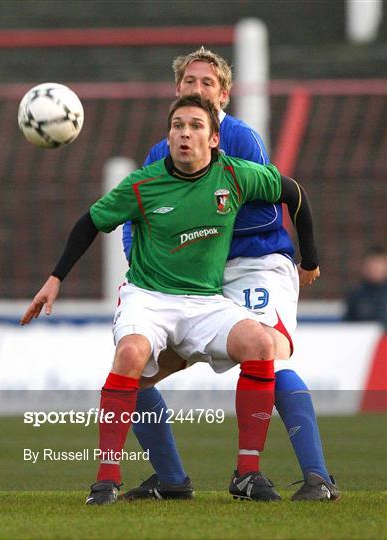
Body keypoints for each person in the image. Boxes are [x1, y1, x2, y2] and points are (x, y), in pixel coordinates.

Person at [21, 95, 318, 505]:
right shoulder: (143, 184)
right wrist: (54, 279)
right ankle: (106, 479)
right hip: (149, 298)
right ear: (169, 135)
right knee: (130, 354)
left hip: (205, 302)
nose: (185, 133)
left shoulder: (235, 175)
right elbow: (91, 221)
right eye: (178, 125)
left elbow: (293, 192)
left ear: (214, 138)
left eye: (196, 126)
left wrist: (310, 261)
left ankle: (247, 473)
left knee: (262, 345)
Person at [122, 47, 340, 502]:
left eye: (207, 84)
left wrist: (189, 236)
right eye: (189, 83)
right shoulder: (160, 151)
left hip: (253, 268)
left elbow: (265, 217)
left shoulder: (241, 139)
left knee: (269, 359)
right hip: (195, 284)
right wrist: (145, 267)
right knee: (134, 374)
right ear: (176, 90)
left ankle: (318, 478)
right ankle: (171, 479)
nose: (196, 90)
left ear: (224, 94)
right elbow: (136, 219)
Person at [344, 246, 387, 328]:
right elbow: (347, 326)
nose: (375, 268)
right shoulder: (356, 295)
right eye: (372, 264)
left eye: (379, 263)